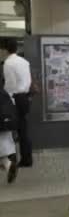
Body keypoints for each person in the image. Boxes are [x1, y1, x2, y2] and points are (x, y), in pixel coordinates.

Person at [0, 38, 32, 168]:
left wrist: (6, 98)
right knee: (23, 129)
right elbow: (28, 80)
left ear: (4, 50)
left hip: (14, 98)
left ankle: (8, 160)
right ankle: (26, 158)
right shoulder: (24, 61)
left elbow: (10, 84)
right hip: (24, 97)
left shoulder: (8, 63)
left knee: (7, 128)